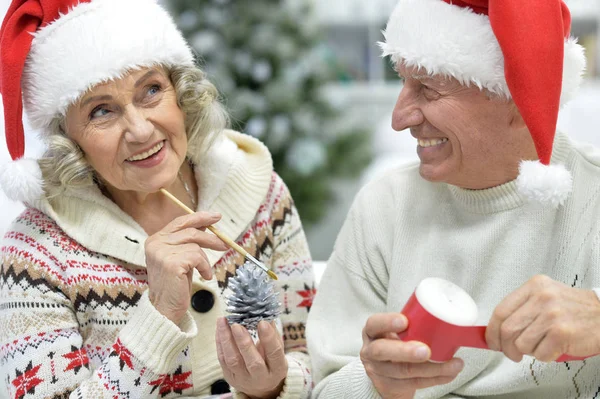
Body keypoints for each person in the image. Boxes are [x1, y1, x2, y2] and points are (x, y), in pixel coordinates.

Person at [0, 0, 315, 398]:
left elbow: (314, 353)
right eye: (101, 112)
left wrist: (273, 388)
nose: (140, 130)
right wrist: (159, 313)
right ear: (69, 142)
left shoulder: (260, 192)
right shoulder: (35, 254)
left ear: (181, 93)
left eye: (151, 90)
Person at [306, 0, 600, 398]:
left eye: (427, 89)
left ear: (515, 95)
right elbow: (324, 389)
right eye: (403, 82)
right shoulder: (383, 206)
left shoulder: (593, 194)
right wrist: (375, 383)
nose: (399, 118)